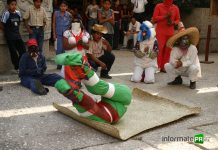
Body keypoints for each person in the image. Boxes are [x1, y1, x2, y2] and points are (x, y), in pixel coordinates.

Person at [152, 0, 180, 72]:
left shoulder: (175, 8)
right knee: (159, 49)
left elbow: (178, 19)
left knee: (168, 50)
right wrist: (165, 16)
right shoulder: (159, 6)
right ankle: (157, 66)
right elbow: (155, 18)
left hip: (170, 32)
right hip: (160, 32)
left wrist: (173, 23)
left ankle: (164, 66)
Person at [0, 0, 26, 73]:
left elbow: (19, 22)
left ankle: (21, 65)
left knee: (23, 51)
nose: (13, 6)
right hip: (10, 37)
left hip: (17, 36)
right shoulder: (6, 13)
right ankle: (17, 67)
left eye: (15, 4)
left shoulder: (18, 13)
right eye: (12, 4)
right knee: (13, 53)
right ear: (8, 5)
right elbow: (1, 24)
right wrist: (7, 31)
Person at [52, 0, 72, 70]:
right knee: (58, 50)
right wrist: (54, 34)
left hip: (66, 35)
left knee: (65, 49)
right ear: (59, 7)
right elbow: (54, 23)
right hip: (58, 34)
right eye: (61, 6)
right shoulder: (56, 13)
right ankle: (59, 64)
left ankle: (64, 64)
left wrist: (70, 34)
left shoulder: (69, 14)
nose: (63, 7)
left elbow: (70, 25)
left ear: (67, 7)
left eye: (64, 6)